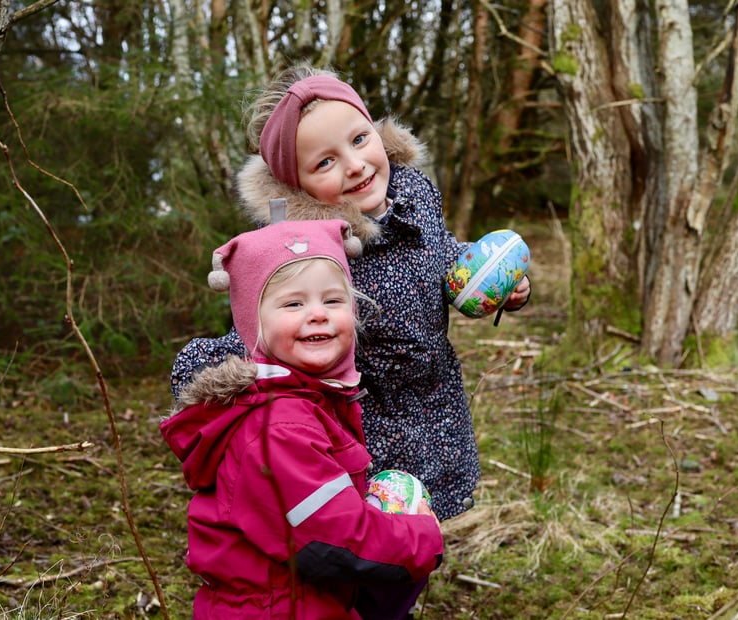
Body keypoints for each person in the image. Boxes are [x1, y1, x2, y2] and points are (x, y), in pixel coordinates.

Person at [172, 63, 532, 526]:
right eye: (325, 162)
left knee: (423, 532)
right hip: (361, 428)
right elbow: (264, 328)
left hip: (433, 407)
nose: (356, 165)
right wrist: (214, 371)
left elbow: (439, 251)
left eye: (360, 139)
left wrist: (487, 279)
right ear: (296, 182)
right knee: (369, 546)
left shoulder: (413, 192)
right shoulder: (305, 248)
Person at [160, 218, 444, 619]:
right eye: (294, 304)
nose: (317, 314)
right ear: (252, 323)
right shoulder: (278, 426)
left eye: (332, 300)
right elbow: (330, 538)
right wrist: (422, 539)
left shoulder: (311, 399)